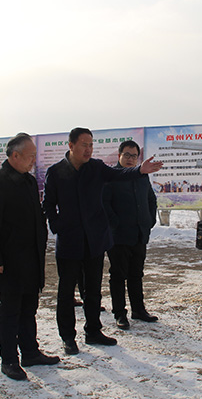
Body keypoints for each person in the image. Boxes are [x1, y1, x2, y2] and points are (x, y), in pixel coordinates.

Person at [43, 127, 163, 355]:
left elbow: (119, 174)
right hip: (69, 240)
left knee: (93, 290)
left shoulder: (96, 167)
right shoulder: (56, 172)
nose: (89, 149)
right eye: (84, 145)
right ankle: (68, 337)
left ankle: (93, 331)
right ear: (71, 145)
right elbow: (48, 204)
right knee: (66, 292)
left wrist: (140, 170)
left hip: (95, 239)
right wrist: (57, 225)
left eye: (91, 145)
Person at [0, 133, 60, 381]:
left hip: (31, 258)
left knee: (29, 308)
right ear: (15, 155)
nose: (34, 160)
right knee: (10, 311)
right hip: (9, 261)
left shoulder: (28, 181)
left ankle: (30, 352)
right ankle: (9, 360)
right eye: (30, 156)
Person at [102, 140, 159, 330]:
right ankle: (120, 313)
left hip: (139, 233)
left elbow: (151, 199)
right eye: (126, 155)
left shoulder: (142, 176)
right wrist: (115, 224)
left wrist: (149, 220)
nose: (130, 159)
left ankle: (138, 310)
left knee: (136, 274)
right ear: (119, 155)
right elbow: (104, 203)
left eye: (134, 156)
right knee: (118, 275)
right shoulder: (111, 176)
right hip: (118, 236)